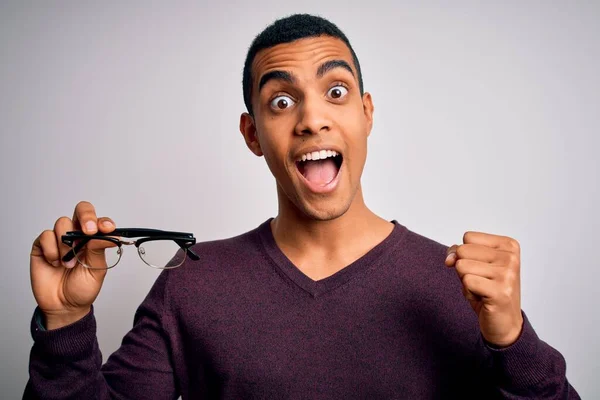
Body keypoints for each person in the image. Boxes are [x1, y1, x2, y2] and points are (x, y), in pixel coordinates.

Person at [24, 14, 579, 399]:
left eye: (335, 92)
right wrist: (66, 323)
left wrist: (513, 340)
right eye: (282, 100)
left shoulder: (459, 289)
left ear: (366, 113)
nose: (312, 118)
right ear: (252, 134)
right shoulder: (190, 284)